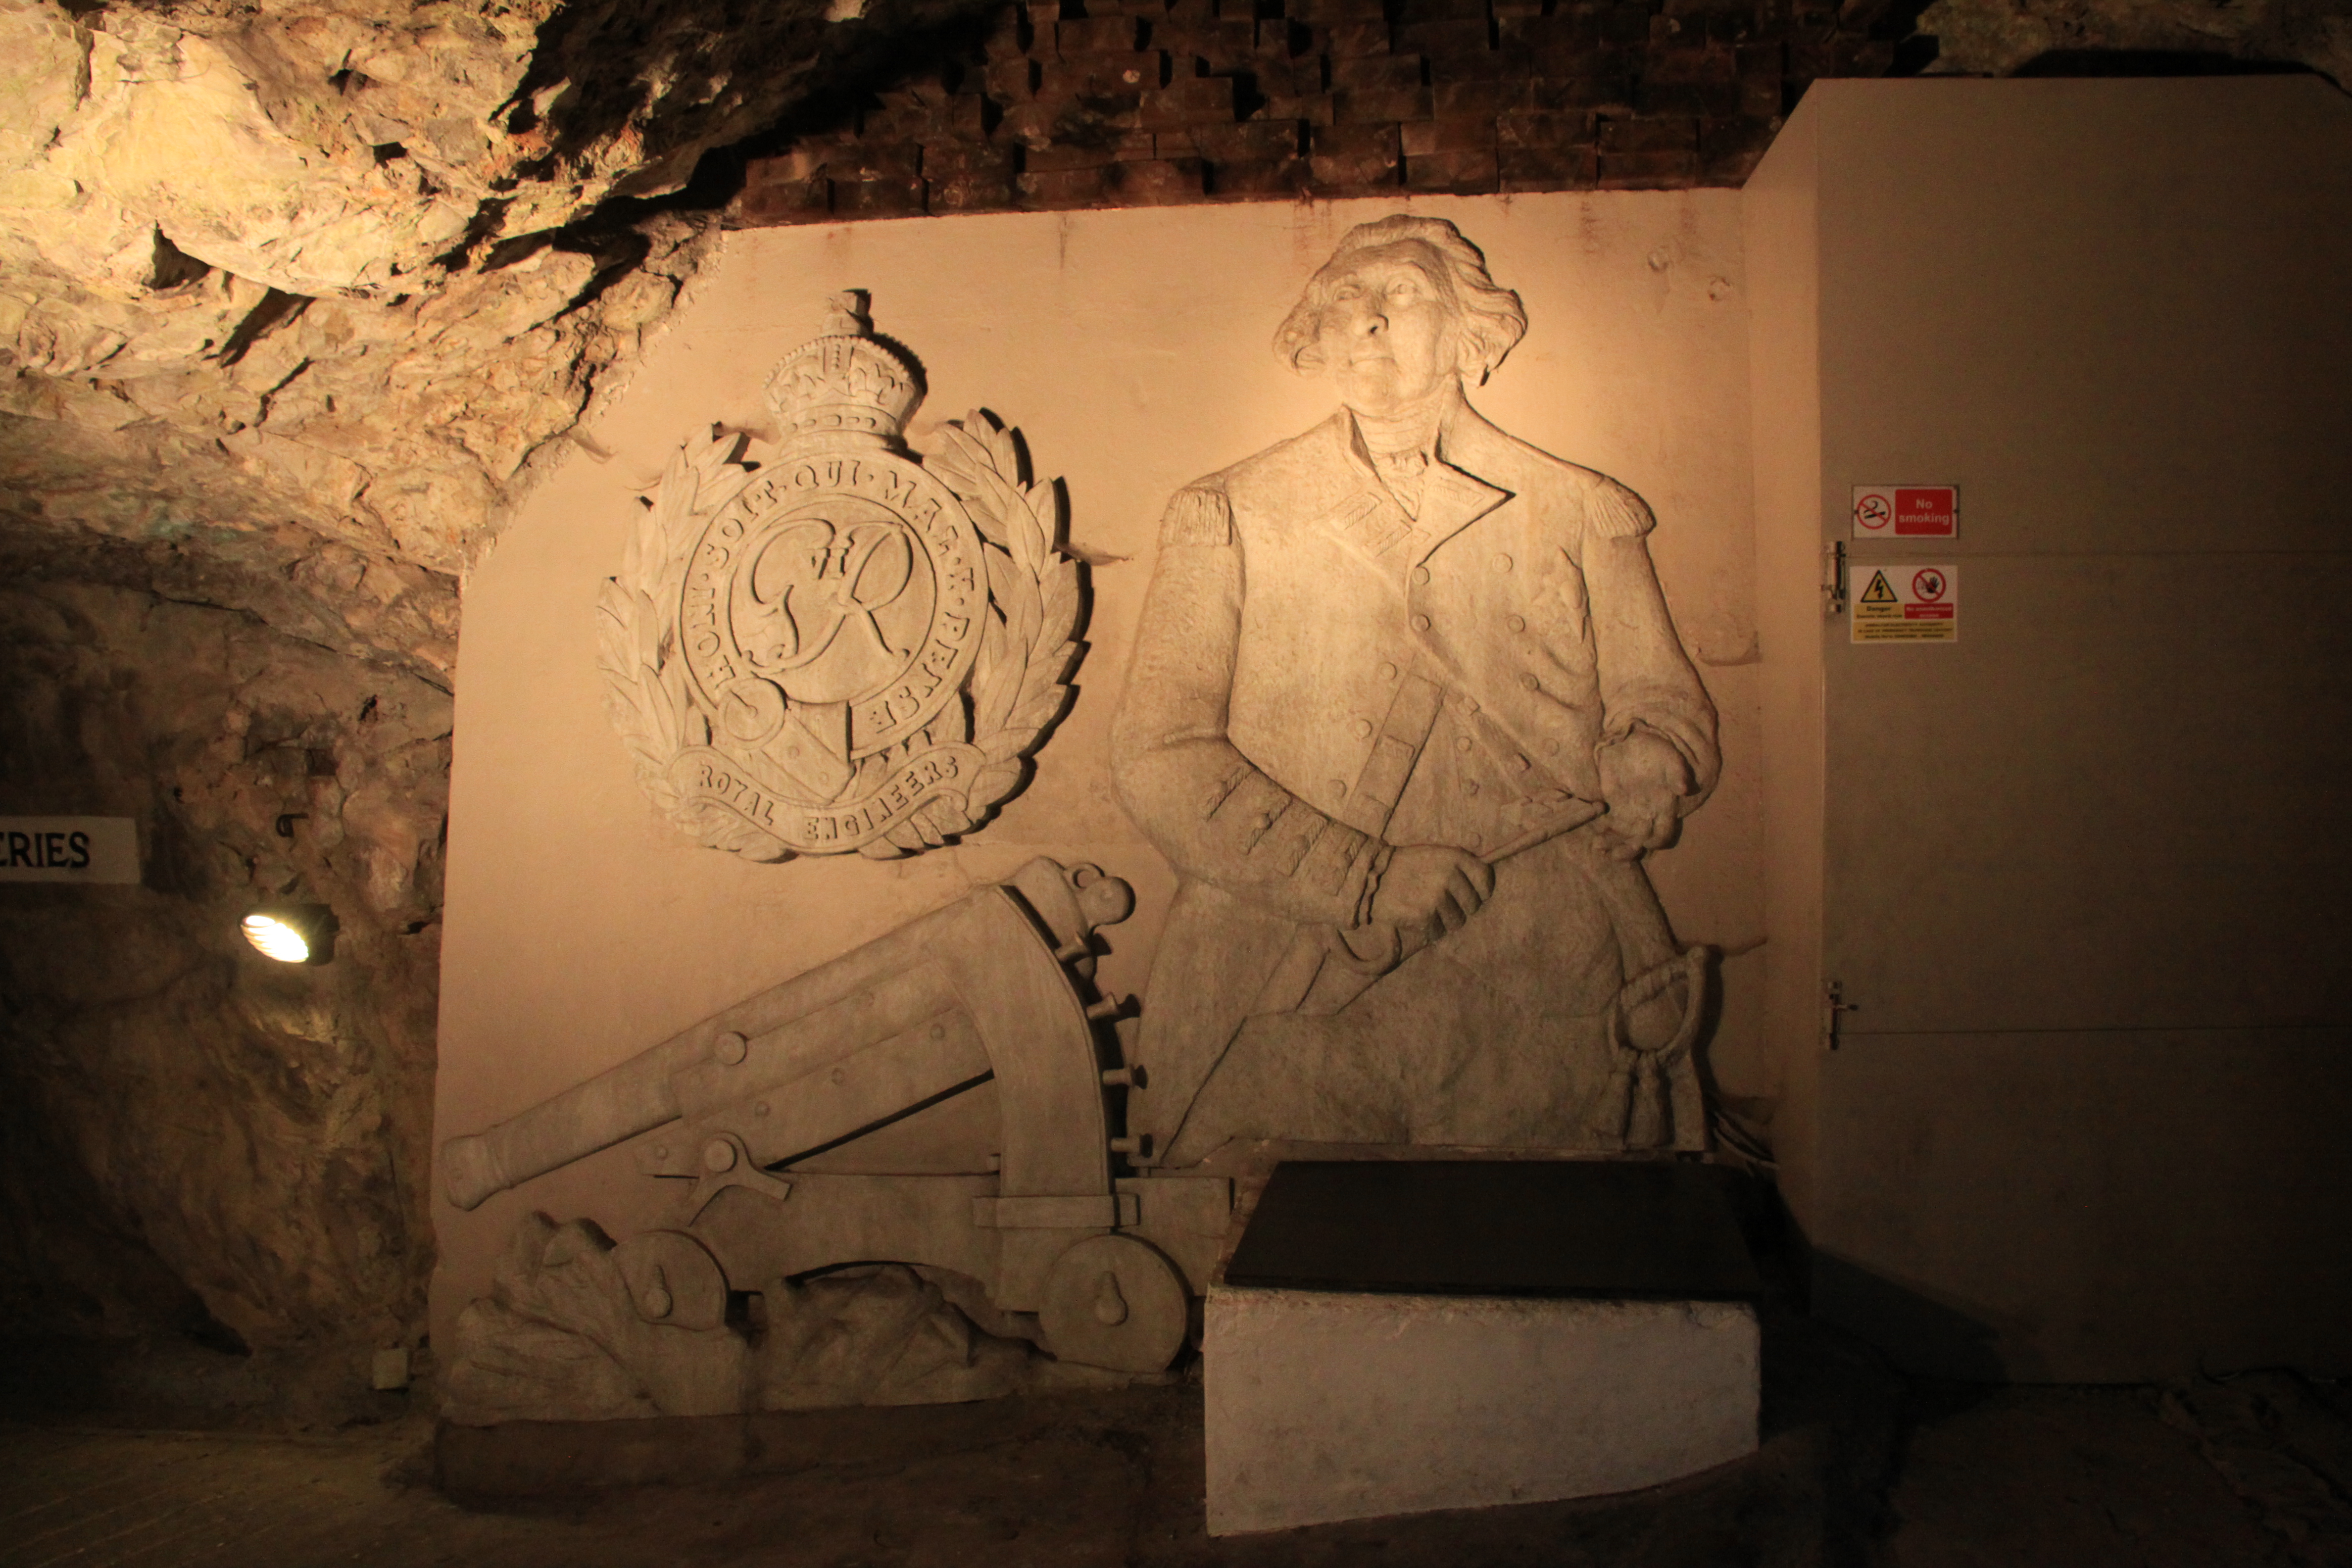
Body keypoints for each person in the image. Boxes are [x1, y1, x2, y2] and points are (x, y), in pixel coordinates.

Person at [1110, 214, 1720, 1165]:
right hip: (1298, 959)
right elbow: (1159, 756)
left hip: (1539, 962)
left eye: (1400, 296)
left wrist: (1650, 756)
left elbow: (1662, 698)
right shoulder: (1229, 511)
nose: (1367, 324)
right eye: (1345, 303)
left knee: (1539, 1250)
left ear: (1471, 330)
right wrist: (1360, 878)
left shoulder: (1575, 505)